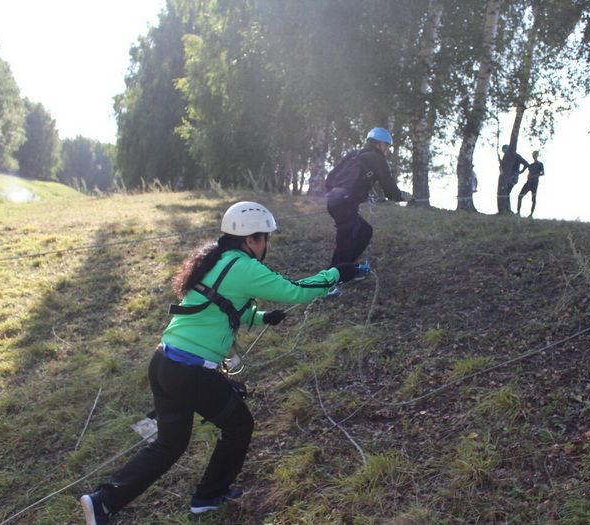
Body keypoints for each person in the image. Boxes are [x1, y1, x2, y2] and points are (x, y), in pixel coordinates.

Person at [79, 201, 359, 524]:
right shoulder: (244, 267)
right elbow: (295, 290)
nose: (266, 244)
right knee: (240, 424)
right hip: (190, 372)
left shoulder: (216, 261)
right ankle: (209, 495)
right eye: (264, 238)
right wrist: (338, 273)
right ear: (249, 239)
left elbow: (220, 305)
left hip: (164, 363)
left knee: (169, 445)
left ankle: (102, 501)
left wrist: (262, 317)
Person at [325, 127, 411, 266]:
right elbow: (389, 188)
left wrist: (335, 195)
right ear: (379, 144)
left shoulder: (353, 154)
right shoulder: (378, 158)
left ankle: (347, 269)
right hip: (346, 204)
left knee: (364, 231)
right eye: (386, 145)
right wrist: (402, 197)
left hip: (334, 201)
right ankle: (335, 280)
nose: (386, 149)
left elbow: (330, 177)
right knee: (346, 243)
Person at [517, 150, 544, 217]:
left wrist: (534, 176)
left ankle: (531, 214)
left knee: (533, 198)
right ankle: (518, 213)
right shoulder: (531, 165)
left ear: (537, 155)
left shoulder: (540, 164)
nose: (534, 156)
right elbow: (527, 170)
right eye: (533, 155)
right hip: (528, 182)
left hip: (534, 183)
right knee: (520, 196)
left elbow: (542, 173)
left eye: (535, 155)